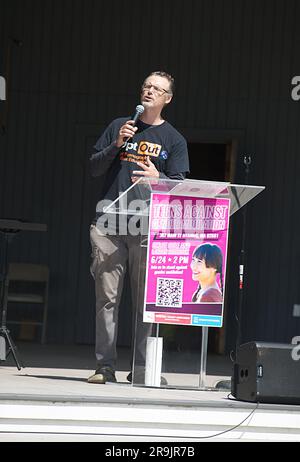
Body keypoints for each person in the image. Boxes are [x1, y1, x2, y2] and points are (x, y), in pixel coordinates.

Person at [88, 71, 190, 384]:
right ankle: (105, 367)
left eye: (157, 89)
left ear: (167, 99)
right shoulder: (119, 126)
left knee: (146, 305)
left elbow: (181, 186)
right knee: (106, 299)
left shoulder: (174, 140)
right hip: (108, 224)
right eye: (146, 86)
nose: (149, 91)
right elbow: (93, 167)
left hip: (148, 227)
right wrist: (116, 144)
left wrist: (158, 179)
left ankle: (143, 368)